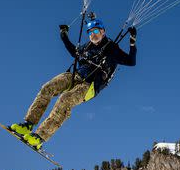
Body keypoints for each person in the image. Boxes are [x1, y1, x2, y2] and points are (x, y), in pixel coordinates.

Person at [9, 17, 137, 149]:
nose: (93, 35)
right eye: (90, 32)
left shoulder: (112, 48)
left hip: (90, 86)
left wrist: (132, 43)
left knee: (65, 99)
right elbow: (73, 52)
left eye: (96, 31)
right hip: (75, 76)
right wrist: (64, 36)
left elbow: (131, 62)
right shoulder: (88, 46)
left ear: (103, 32)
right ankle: (28, 124)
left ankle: (40, 137)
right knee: (48, 88)